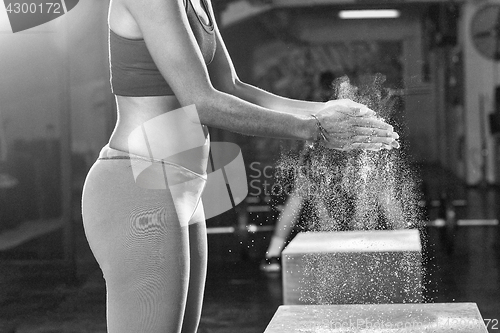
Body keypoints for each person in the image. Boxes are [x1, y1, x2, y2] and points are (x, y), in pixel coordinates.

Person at [80, 0, 400, 332]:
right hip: (139, 184)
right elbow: (202, 103)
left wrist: (326, 111)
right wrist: (312, 129)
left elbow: (231, 88)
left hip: (183, 188)